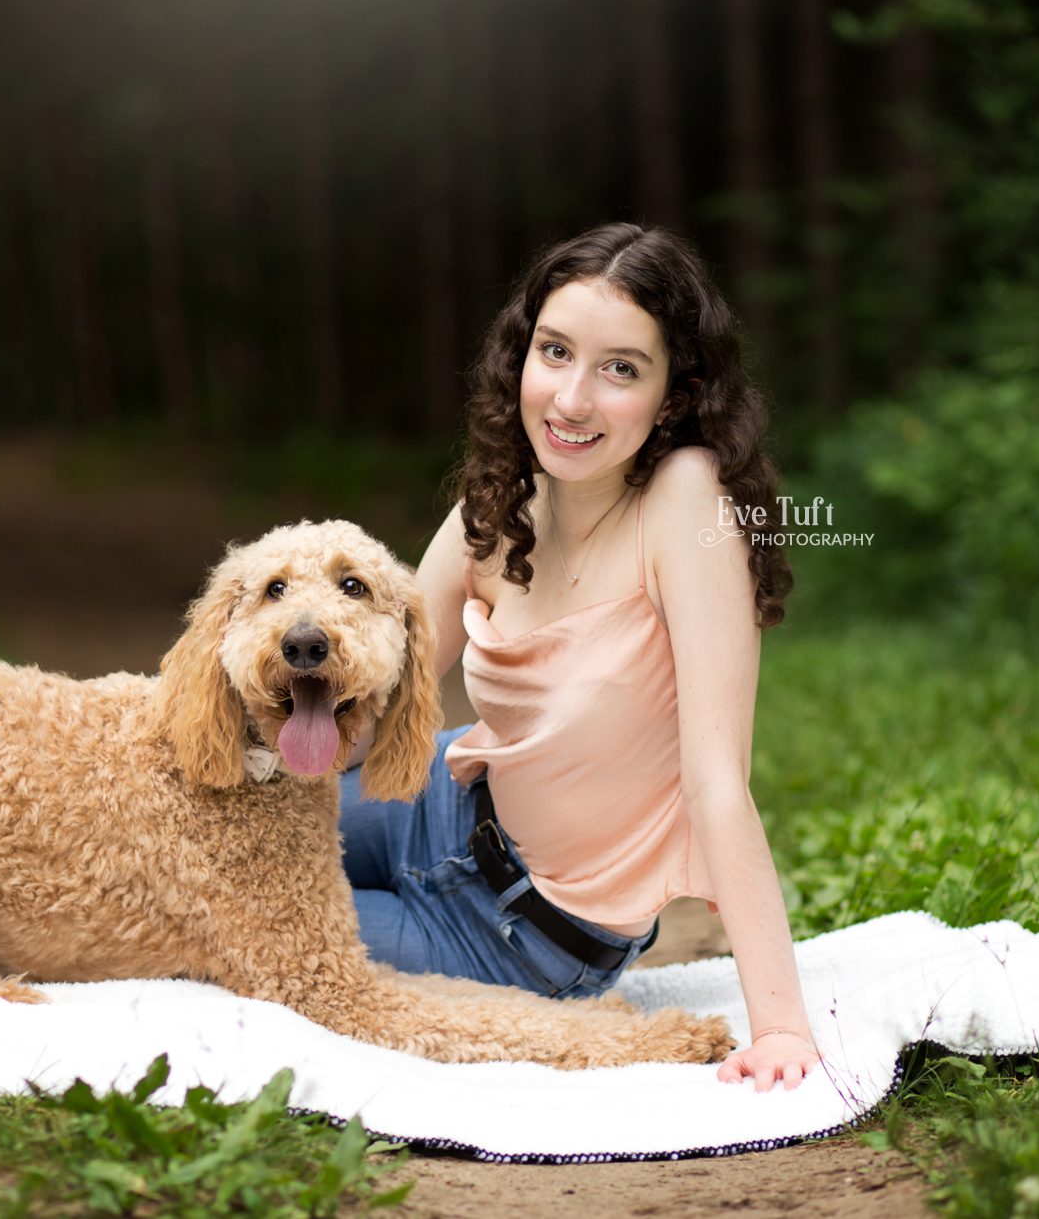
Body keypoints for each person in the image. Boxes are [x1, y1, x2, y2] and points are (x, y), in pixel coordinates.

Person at [338, 222, 823, 1093]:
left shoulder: (686, 502)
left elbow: (718, 778)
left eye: (621, 368)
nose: (570, 399)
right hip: (435, 799)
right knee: (212, 820)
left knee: (222, 921)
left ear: (677, 394)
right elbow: (385, 689)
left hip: (515, 935)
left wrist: (780, 1024)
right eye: (555, 352)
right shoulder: (505, 486)